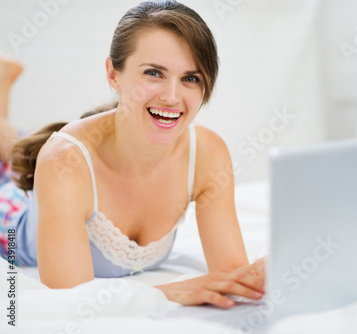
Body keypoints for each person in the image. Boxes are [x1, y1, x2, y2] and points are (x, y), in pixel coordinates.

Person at [0, 0, 265, 309]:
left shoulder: (206, 154)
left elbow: (231, 274)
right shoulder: (63, 162)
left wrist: (267, 271)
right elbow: (69, 299)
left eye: (190, 78)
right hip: (10, 217)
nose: (171, 97)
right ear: (114, 74)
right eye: (154, 73)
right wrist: (174, 292)